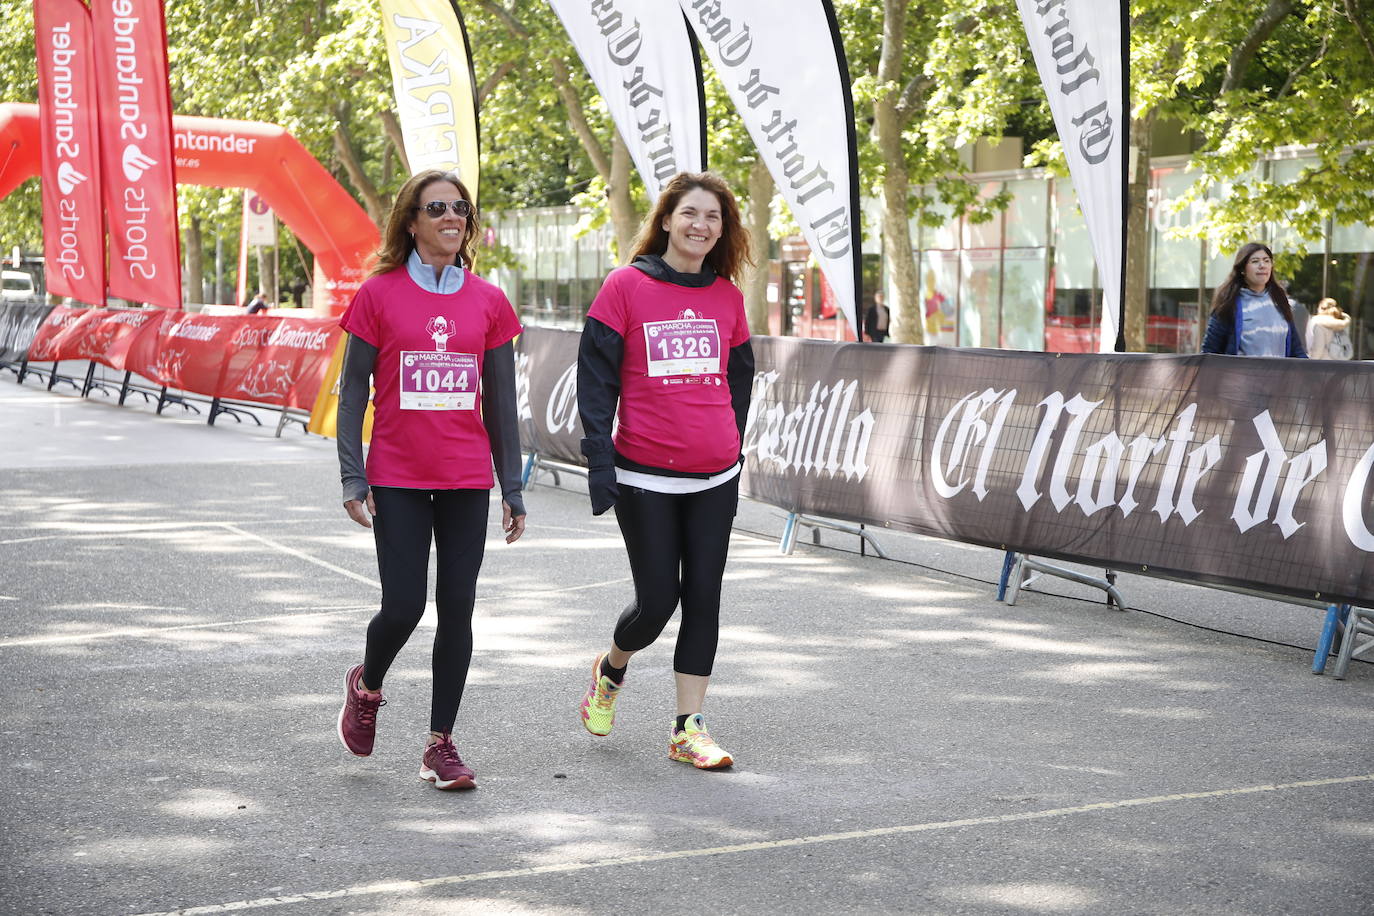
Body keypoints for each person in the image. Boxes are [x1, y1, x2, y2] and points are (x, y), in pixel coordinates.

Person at [334, 169, 527, 791]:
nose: (451, 216)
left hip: (466, 478)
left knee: (459, 610)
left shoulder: (489, 302)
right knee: (405, 605)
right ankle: (366, 686)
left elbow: (500, 403)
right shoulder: (378, 295)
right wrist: (351, 476)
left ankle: (440, 743)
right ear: (410, 221)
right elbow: (350, 394)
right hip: (397, 476)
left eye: (460, 208)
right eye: (436, 207)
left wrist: (512, 488)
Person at [575, 171, 754, 770]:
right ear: (667, 219)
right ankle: (611, 669)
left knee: (703, 597)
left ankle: (688, 729)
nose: (701, 226)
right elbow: (595, 381)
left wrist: (732, 442)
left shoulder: (727, 296)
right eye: (690, 214)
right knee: (657, 602)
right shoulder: (625, 287)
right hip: (644, 476)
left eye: (713, 217)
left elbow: (740, 379)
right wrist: (600, 460)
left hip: (715, 477)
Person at [1201, 242, 1307, 357]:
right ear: (1242, 269)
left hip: (1278, 374)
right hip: (1240, 374)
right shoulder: (1229, 303)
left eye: (1267, 261)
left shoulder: (1280, 300)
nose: (1262, 265)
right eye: (1255, 261)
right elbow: (1210, 351)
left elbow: (1296, 349)